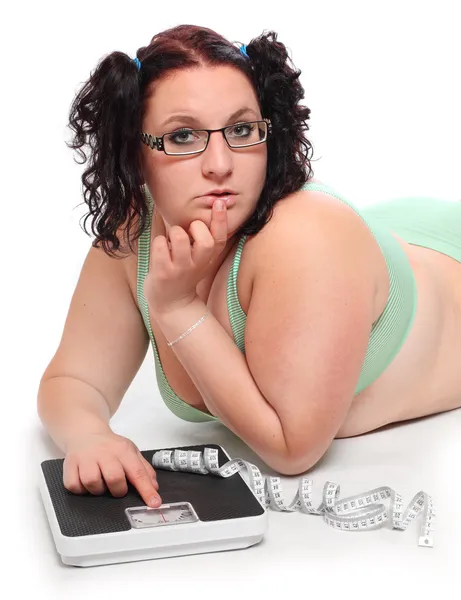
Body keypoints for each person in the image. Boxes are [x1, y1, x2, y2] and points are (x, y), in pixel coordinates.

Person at [37, 24, 461, 511]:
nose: (220, 164)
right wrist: (89, 436)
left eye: (241, 130)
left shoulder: (305, 238)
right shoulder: (136, 236)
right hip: (395, 235)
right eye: (182, 136)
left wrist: (176, 307)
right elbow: (72, 381)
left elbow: (292, 447)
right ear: (136, 151)